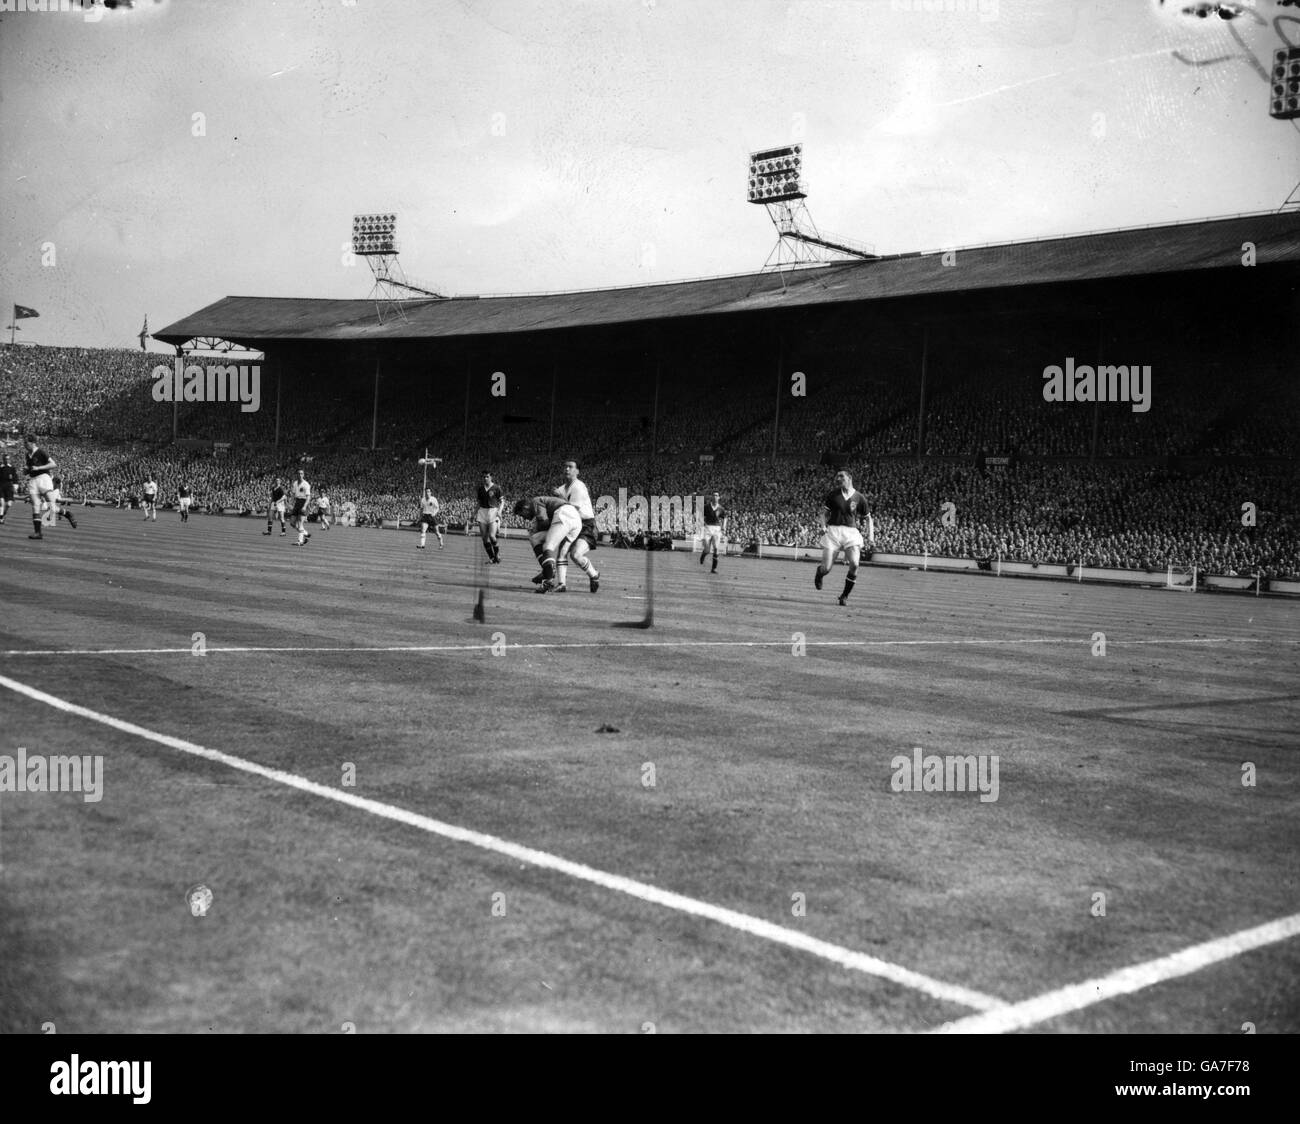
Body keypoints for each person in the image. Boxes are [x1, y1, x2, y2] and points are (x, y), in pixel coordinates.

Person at [814, 469, 874, 606]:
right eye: (837, 476)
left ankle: (844, 596)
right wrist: (823, 526)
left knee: (855, 564)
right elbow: (822, 513)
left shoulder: (859, 497)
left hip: (851, 533)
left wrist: (871, 536)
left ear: (849, 478)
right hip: (833, 531)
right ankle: (820, 573)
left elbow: (868, 518)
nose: (838, 478)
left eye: (841, 476)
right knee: (826, 569)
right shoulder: (833, 495)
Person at [513, 496, 583, 593]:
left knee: (547, 545)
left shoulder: (535, 502)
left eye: (522, 515)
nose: (524, 518)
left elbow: (545, 523)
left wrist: (536, 528)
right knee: (538, 540)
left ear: (525, 508)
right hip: (576, 521)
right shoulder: (543, 503)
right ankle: (551, 574)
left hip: (564, 514)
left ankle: (548, 579)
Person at [551, 459, 599, 593]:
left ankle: (594, 575)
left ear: (577, 471)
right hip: (570, 523)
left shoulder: (578, 487)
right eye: (565, 466)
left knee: (576, 555)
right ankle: (561, 584)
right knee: (562, 551)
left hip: (586, 525)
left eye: (571, 467)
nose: (567, 469)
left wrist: (559, 496)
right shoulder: (561, 488)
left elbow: (573, 509)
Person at [23, 435, 57, 541]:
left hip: (43, 478)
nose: (24, 445)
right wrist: (26, 470)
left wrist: (39, 467)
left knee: (51, 504)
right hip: (33, 480)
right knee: (35, 506)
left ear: (33, 443)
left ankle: (66, 513)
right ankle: (38, 533)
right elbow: (29, 470)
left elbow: (53, 464)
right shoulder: (27, 455)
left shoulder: (41, 452)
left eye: (26, 443)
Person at [476, 471, 504, 563]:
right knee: (484, 538)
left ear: (491, 477)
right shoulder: (480, 489)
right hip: (482, 512)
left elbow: (502, 501)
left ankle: (497, 554)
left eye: (487, 477)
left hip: (493, 511)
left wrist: (499, 511)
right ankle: (492, 558)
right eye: (484, 477)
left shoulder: (496, 488)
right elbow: (479, 503)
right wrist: (473, 513)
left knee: (492, 536)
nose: (485, 478)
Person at [700, 490, 726, 574]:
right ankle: (704, 554)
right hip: (708, 528)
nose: (715, 497)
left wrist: (724, 527)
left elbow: (725, 518)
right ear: (711, 497)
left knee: (716, 548)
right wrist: (702, 524)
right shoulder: (706, 507)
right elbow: (700, 516)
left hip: (717, 529)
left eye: (716, 495)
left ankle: (713, 569)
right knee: (707, 549)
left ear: (719, 497)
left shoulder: (721, 508)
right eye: (714, 495)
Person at [289, 468, 312, 546]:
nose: (300, 475)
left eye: (301, 473)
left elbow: (308, 497)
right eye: (298, 473)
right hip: (296, 503)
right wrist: (291, 503)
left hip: (303, 502)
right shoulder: (295, 483)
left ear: (303, 475)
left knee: (300, 523)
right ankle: (305, 533)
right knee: (292, 523)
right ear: (296, 475)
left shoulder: (306, 484)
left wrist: (305, 506)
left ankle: (300, 541)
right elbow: (293, 495)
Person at [0, 452, 17, 525]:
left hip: (9, 487)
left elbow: (15, 479)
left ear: (10, 460)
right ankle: (1, 518)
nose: (7, 460)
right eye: (5, 459)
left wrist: (15, 487)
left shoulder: (12, 468)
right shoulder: (0, 467)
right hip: (1, 486)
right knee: (1, 503)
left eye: (8, 459)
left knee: (9, 504)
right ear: (3, 459)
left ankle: (3, 514)